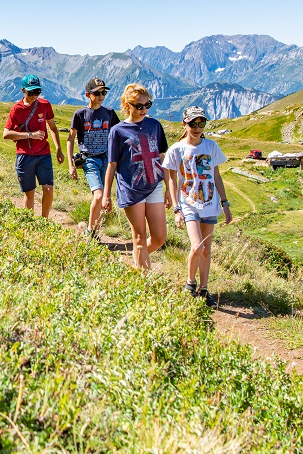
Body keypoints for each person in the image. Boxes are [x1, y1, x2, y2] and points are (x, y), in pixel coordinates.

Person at [162, 106, 232, 306]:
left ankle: (204, 289)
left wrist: (225, 202)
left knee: (207, 249)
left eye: (201, 123)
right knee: (197, 246)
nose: (197, 128)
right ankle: (189, 283)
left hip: (209, 203)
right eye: (193, 123)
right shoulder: (176, 149)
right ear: (184, 124)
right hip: (189, 204)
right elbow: (172, 180)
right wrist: (177, 208)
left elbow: (216, 176)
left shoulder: (211, 146)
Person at [102, 83, 169, 269]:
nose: (144, 109)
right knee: (139, 236)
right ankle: (144, 278)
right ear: (127, 106)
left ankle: (137, 261)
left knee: (159, 237)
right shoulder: (117, 131)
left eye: (147, 105)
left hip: (154, 184)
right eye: (139, 106)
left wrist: (169, 188)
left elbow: (163, 157)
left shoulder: (154, 125)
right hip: (131, 189)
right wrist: (106, 195)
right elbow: (112, 165)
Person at [3, 74, 64, 217]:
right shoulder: (16, 109)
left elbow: (53, 128)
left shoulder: (45, 105)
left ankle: (44, 221)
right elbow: (6, 134)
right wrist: (30, 135)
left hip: (44, 154)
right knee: (29, 193)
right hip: (24, 155)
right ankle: (30, 223)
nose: (34, 96)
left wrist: (58, 149)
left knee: (48, 190)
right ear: (23, 91)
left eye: (37, 92)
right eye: (31, 92)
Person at [67, 77, 120, 238]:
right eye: (97, 93)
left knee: (103, 198)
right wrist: (70, 165)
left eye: (103, 93)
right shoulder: (80, 115)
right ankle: (90, 231)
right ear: (88, 95)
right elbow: (70, 139)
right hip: (89, 159)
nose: (101, 96)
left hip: (107, 159)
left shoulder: (109, 113)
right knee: (99, 195)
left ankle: (96, 233)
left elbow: (118, 134)